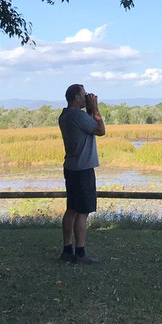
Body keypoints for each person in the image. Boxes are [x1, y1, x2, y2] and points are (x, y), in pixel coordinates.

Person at [58, 83, 105, 264]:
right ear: (76, 97)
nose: (86, 97)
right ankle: (81, 253)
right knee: (83, 211)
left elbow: (88, 125)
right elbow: (100, 130)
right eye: (84, 95)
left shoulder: (66, 115)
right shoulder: (77, 115)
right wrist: (95, 107)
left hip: (71, 167)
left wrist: (89, 109)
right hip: (83, 169)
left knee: (72, 208)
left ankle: (67, 249)